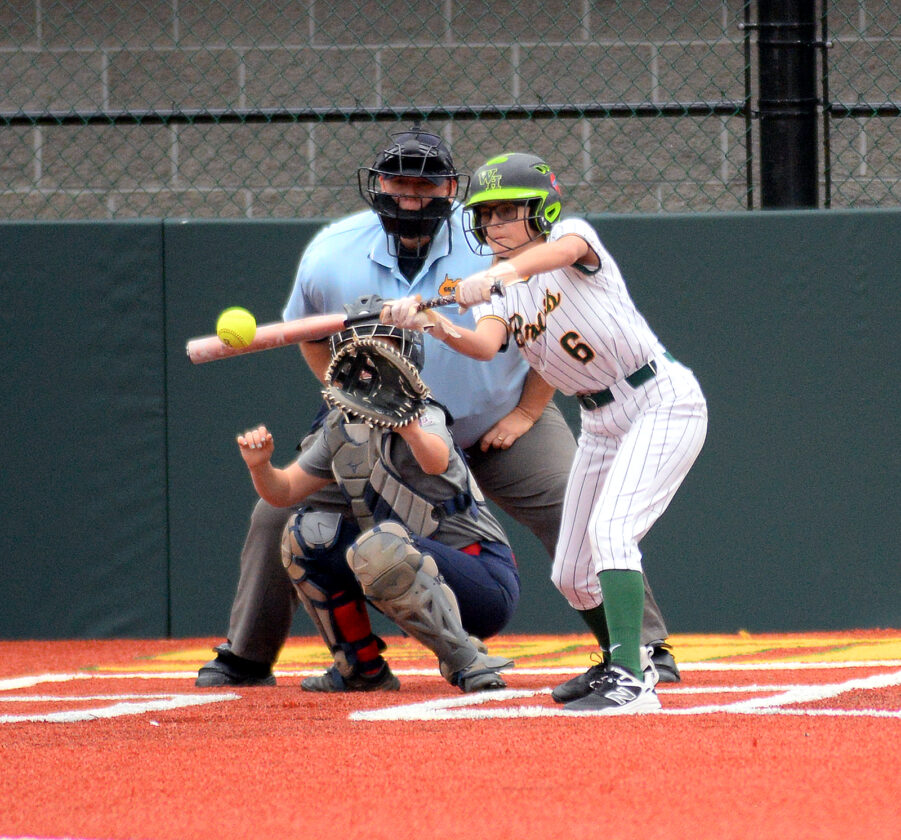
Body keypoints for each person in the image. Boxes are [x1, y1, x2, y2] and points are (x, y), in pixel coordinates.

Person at [196, 127, 677, 690]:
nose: (411, 197)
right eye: (398, 183)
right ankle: (249, 656)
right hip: (386, 427)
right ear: (377, 186)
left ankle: (641, 646)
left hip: (496, 417)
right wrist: (351, 398)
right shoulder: (331, 253)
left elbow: (551, 328)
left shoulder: (492, 243)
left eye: (426, 185)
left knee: (576, 502)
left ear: (451, 189)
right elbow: (311, 337)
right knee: (277, 516)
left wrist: (525, 414)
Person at [382, 151, 708, 713]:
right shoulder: (503, 288)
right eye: (486, 215)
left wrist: (496, 275)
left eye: (507, 211)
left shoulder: (571, 238)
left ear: (542, 210)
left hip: (659, 399)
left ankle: (633, 680)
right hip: (600, 419)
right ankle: (621, 658)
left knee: (611, 531)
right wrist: (431, 320)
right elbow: (483, 345)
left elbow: (559, 253)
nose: (494, 224)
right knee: (572, 572)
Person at [233, 299, 518, 692]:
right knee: (306, 534)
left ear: (406, 357)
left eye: (382, 350)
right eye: (359, 350)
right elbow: (283, 493)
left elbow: (435, 460)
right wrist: (260, 466)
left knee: (381, 546)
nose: (368, 364)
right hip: (402, 566)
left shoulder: (425, 412)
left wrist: (407, 424)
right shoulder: (340, 426)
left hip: (481, 579)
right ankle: (360, 668)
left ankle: (469, 663)